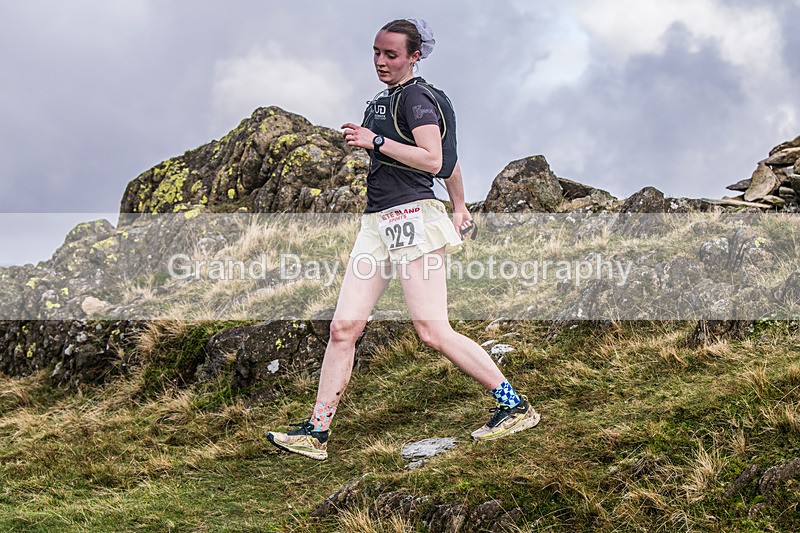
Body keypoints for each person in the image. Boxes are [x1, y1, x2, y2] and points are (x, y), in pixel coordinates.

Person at [267, 18, 540, 461]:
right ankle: (316, 433)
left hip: (412, 215)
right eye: (376, 52)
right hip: (377, 222)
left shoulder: (415, 97)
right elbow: (449, 162)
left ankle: (514, 406)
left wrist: (375, 142)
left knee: (432, 330)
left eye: (390, 54)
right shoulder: (385, 101)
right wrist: (460, 207)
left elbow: (434, 159)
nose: (380, 61)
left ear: (414, 56)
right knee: (343, 327)